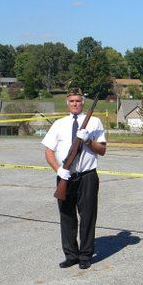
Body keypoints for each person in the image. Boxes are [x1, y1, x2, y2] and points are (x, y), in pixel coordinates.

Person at [42, 88, 107, 270]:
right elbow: (48, 151)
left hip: (87, 175)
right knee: (67, 215)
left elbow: (102, 150)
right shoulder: (59, 124)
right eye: (71, 101)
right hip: (66, 176)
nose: (75, 104)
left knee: (87, 216)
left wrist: (88, 141)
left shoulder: (94, 122)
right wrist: (58, 170)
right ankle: (71, 255)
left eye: (78, 101)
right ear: (67, 103)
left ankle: (86, 255)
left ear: (83, 102)